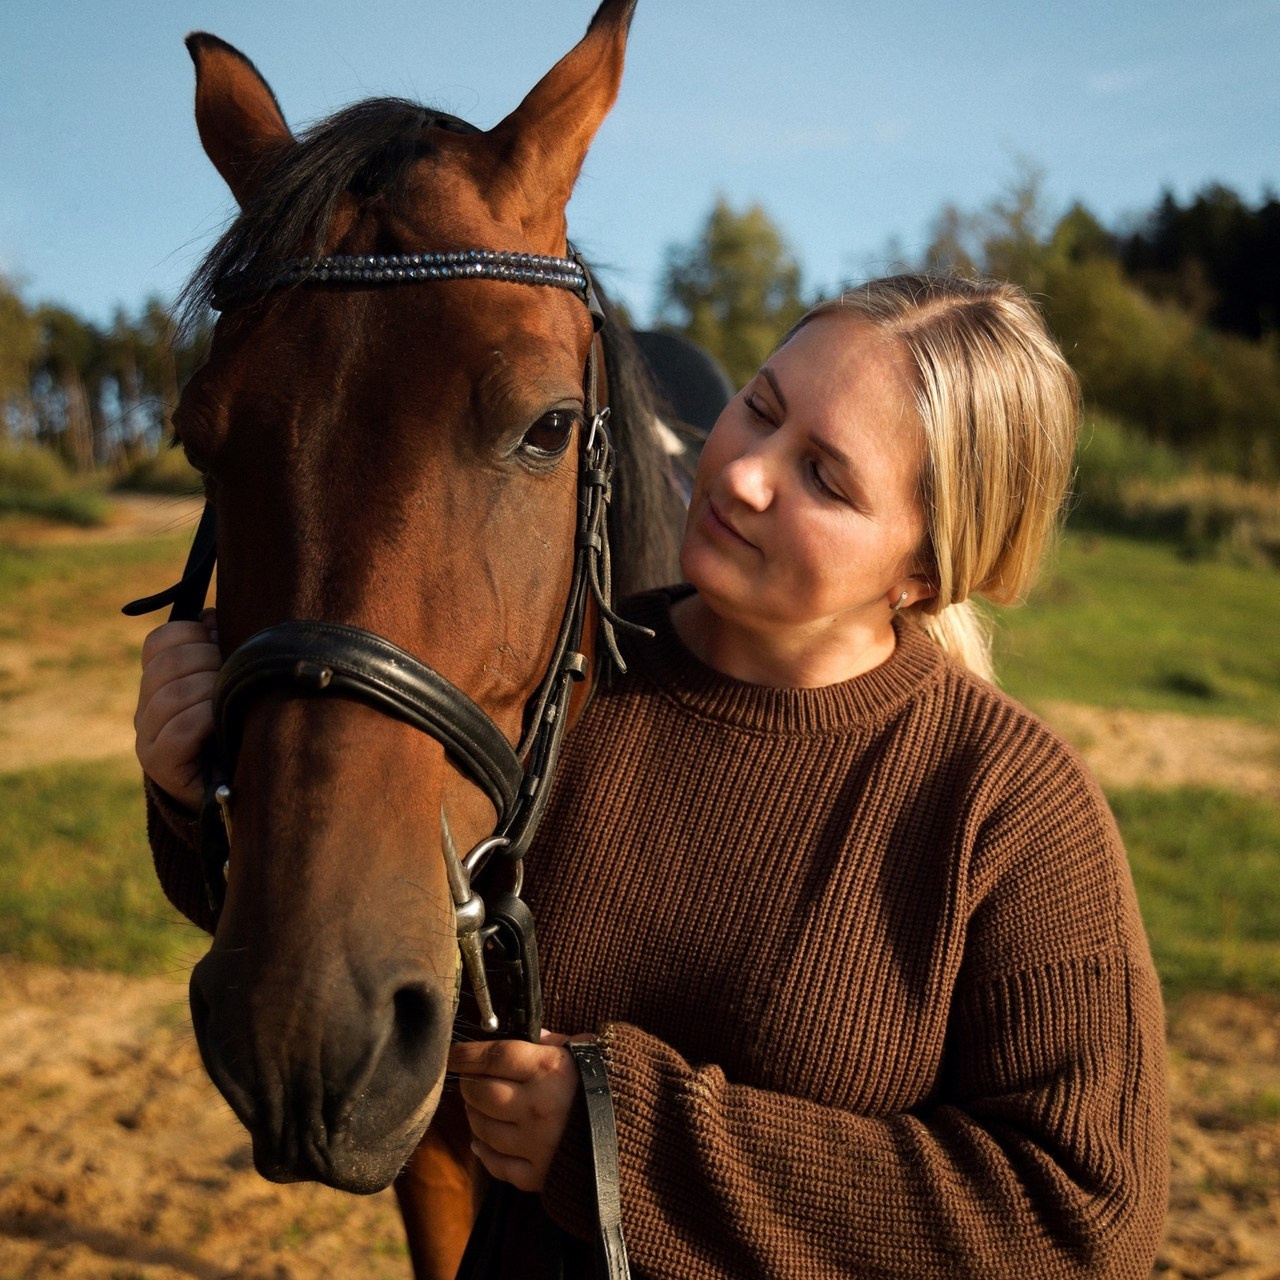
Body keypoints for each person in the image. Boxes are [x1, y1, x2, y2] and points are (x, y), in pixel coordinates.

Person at [136, 273, 1169, 1277]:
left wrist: (618, 1141)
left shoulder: (1007, 802)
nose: (743, 472)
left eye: (823, 475)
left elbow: (1082, 1214)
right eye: (759, 407)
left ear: (923, 569)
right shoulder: (564, 681)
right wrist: (204, 800)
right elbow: (368, 928)